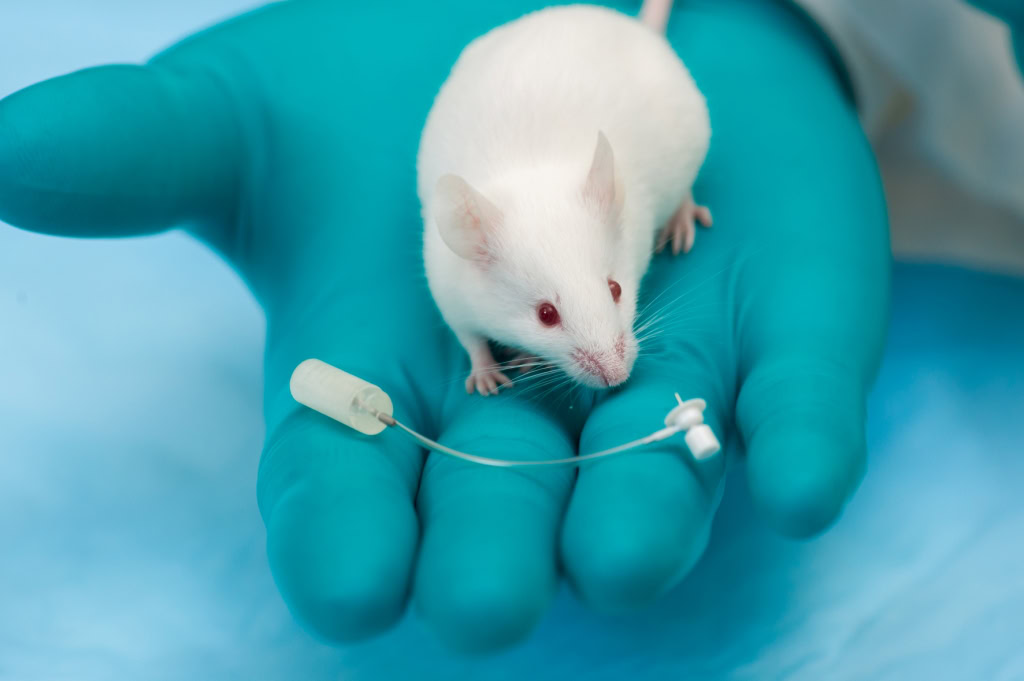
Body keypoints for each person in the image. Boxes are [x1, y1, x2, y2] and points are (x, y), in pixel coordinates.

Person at [0, 0, 1004, 654]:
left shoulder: (611, 202)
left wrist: (673, 199)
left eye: (613, 296)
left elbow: (628, 208)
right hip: (527, 83)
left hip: (627, 78)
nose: (609, 358)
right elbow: (462, 303)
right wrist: (480, 355)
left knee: (671, 130)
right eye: (555, 318)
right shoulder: (466, 259)